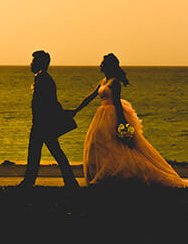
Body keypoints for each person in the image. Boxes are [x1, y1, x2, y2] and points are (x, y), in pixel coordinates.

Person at [72, 53, 187, 187]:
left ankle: (114, 173)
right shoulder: (102, 81)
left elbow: (117, 104)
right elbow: (90, 97)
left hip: (112, 115)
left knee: (114, 144)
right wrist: (75, 110)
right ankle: (102, 172)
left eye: (103, 63)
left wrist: (121, 123)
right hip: (101, 114)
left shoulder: (115, 83)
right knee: (97, 143)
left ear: (109, 65)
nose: (100, 65)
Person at [17, 50, 79, 188]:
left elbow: (48, 103)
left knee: (37, 154)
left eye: (33, 61)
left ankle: (29, 182)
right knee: (50, 153)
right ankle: (70, 181)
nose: (31, 63)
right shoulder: (41, 78)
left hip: (42, 124)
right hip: (42, 123)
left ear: (39, 63)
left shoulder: (43, 79)